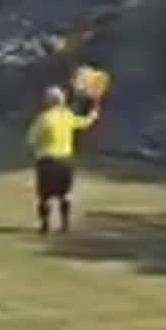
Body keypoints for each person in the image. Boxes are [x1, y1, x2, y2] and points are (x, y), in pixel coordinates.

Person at [27, 85, 99, 235]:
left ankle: (45, 225)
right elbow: (84, 123)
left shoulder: (43, 118)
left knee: (44, 196)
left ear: (48, 101)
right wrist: (93, 114)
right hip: (66, 160)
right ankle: (65, 225)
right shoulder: (67, 116)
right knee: (65, 194)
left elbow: (31, 140)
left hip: (47, 160)